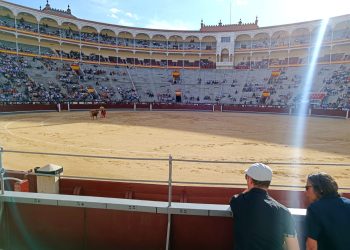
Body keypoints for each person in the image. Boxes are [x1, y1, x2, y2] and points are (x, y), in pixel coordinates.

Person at [229, 163, 299, 250]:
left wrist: (247, 191)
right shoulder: (283, 211)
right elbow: (294, 248)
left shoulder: (238, 202)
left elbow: (235, 198)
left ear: (250, 180)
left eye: (246, 177)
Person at [305, 172, 350, 250]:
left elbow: (311, 247)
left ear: (320, 189)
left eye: (307, 188)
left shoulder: (315, 209)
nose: (305, 192)